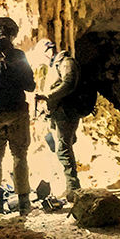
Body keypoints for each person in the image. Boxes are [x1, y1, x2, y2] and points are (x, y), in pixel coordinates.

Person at [0, 16, 36, 220]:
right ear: (12, 35)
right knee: (19, 155)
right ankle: (24, 205)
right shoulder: (17, 55)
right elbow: (30, 85)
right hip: (16, 112)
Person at [35, 37, 82, 200]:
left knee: (63, 148)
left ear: (49, 51)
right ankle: (63, 182)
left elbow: (68, 84)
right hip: (57, 113)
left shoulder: (67, 63)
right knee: (55, 143)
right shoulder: (55, 65)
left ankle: (73, 188)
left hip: (66, 113)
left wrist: (47, 96)